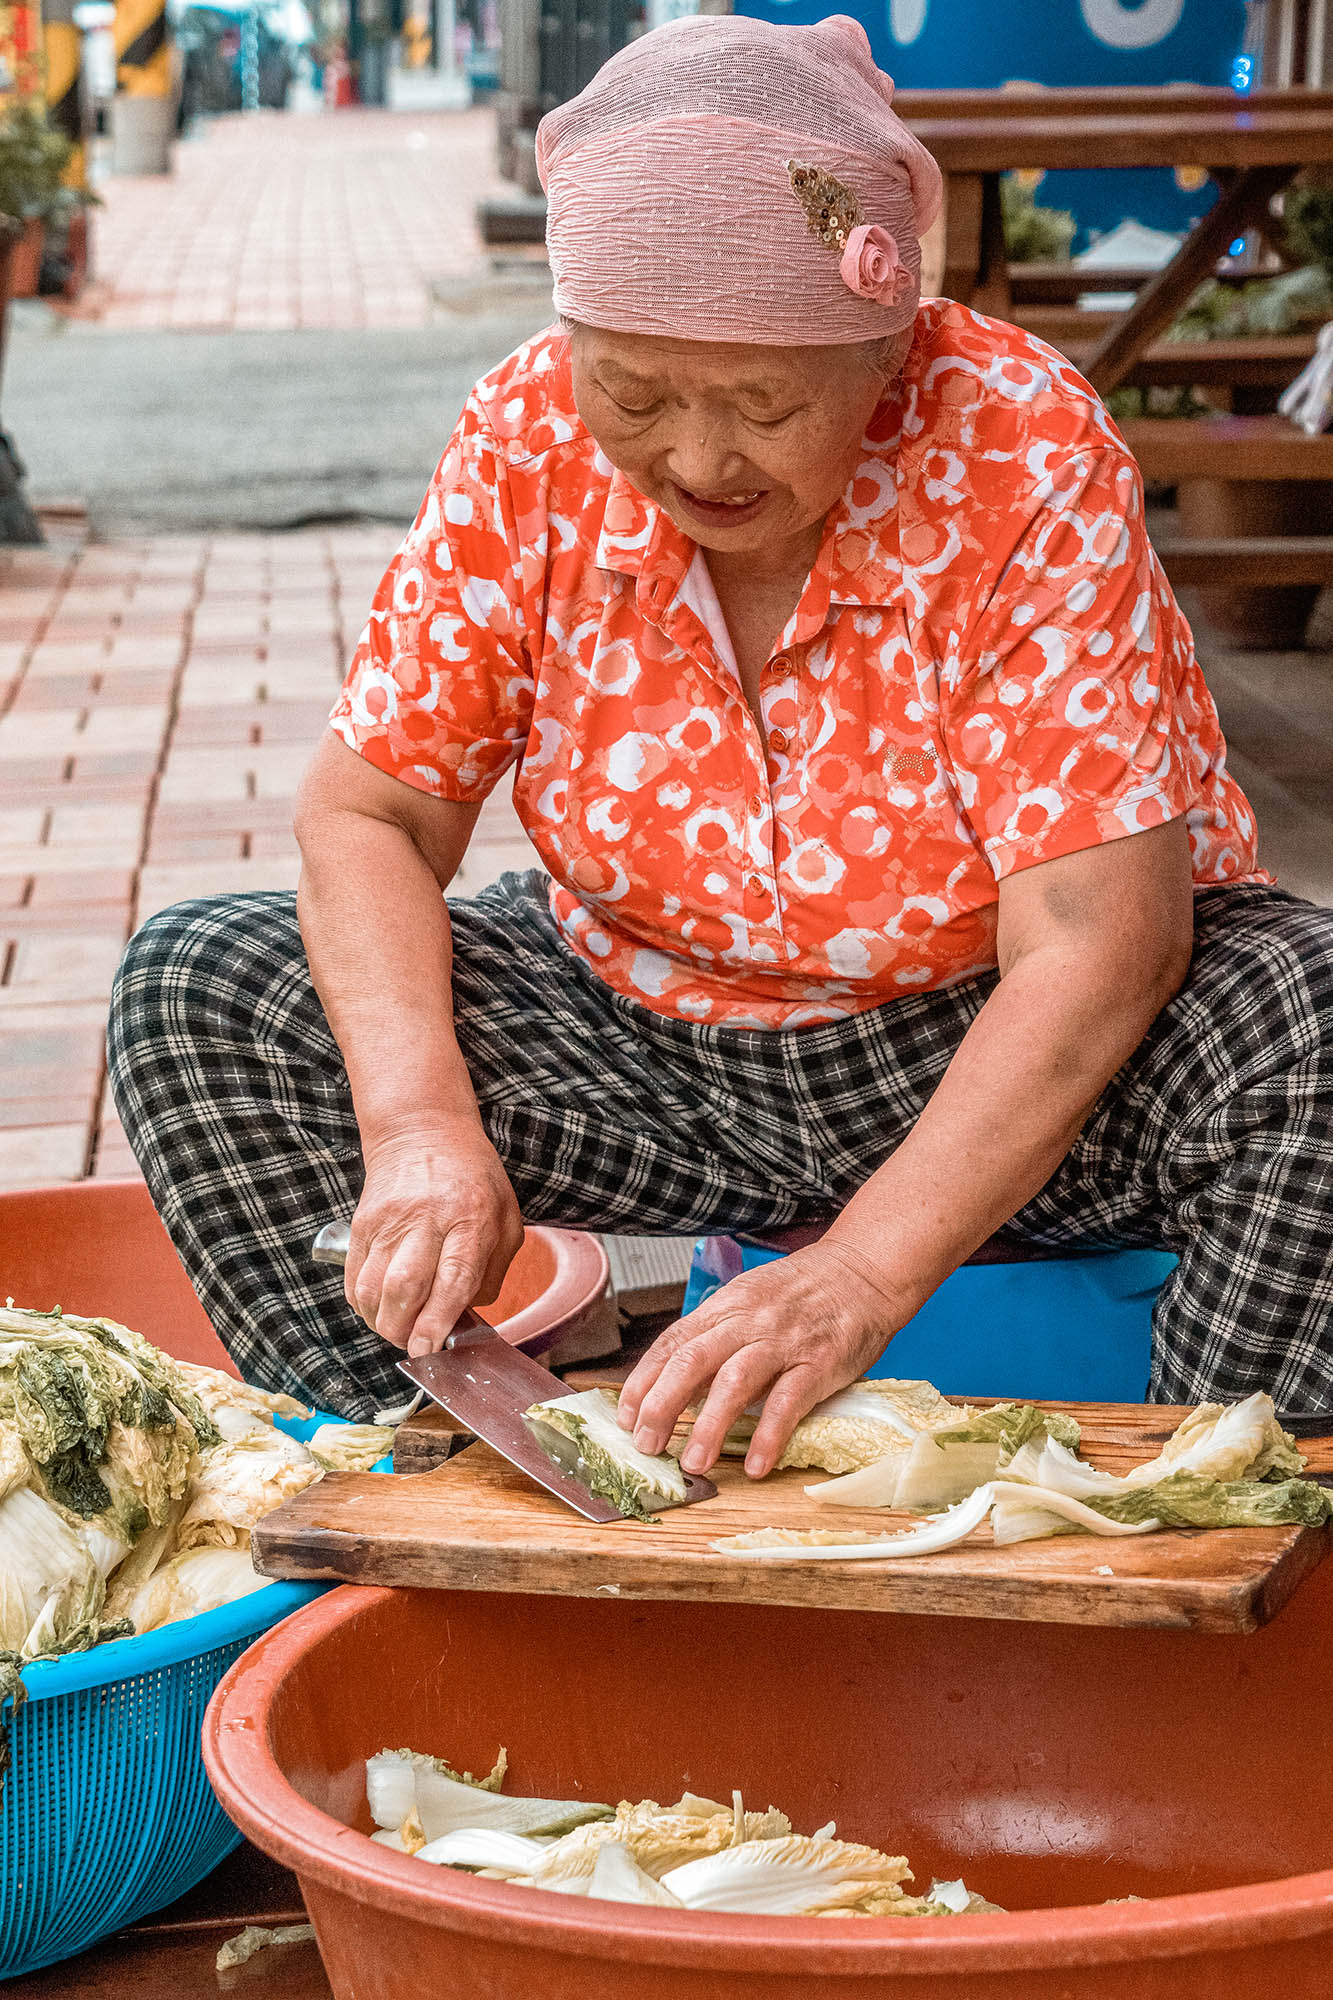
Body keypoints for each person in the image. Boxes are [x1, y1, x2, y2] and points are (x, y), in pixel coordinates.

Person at [109, 14, 1333, 1477]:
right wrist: (424, 1129)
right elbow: (368, 815)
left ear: (884, 352)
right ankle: (428, 1500)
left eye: (763, 405)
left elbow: (1098, 938)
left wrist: (861, 1275)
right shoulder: (525, 434)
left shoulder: (1013, 442)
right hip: (652, 1055)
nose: (694, 460)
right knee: (204, 986)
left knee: (1309, 1026)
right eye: (632, 393)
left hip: (1003, 1058)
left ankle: (1191, 1528)